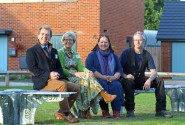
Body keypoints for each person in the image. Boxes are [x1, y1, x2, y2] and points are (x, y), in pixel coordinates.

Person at [26, 25, 80, 123]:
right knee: (62, 85)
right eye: (42, 34)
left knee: (76, 88)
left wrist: (57, 73)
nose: (44, 37)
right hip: (43, 82)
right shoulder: (31, 51)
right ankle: (67, 114)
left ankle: (61, 112)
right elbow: (32, 69)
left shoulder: (54, 51)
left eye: (47, 35)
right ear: (38, 36)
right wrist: (49, 75)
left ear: (50, 37)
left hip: (56, 79)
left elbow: (59, 67)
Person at [57, 31, 117, 119]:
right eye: (66, 39)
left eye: (71, 40)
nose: (68, 41)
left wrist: (88, 71)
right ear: (63, 41)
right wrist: (75, 73)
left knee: (88, 78)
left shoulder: (76, 54)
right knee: (85, 82)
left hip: (79, 76)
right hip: (68, 76)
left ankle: (85, 111)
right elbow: (61, 68)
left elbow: (81, 67)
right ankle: (102, 95)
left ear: (74, 42)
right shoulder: (60, 52)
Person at [119, 31, 173, 118]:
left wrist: (149, 80)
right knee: (129, 82)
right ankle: (130, 111)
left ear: (143, 42)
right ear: (133, 42)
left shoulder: (147, 54)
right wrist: (126, 76)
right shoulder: (126, 53)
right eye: (135, 40)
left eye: (139, 40)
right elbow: (118, 69)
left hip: (140, 79)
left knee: (159, 80)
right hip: (127, 80)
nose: (137, 42)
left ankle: (161, 110)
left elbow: (154, 72)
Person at [85, 34, 124, 119]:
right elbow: (89, 67)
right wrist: (102, 77)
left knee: (117, 85)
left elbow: (119, 69)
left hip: (112, 79)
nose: (103, 44)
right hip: (98, 79)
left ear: (109, 44)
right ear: (98, 43)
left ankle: (116, 112)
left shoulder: (114, 56)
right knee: (103, 85)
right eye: (101, 42)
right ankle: (105, 111)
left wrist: (114, 77)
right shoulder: (92, 55)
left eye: (105, 42)